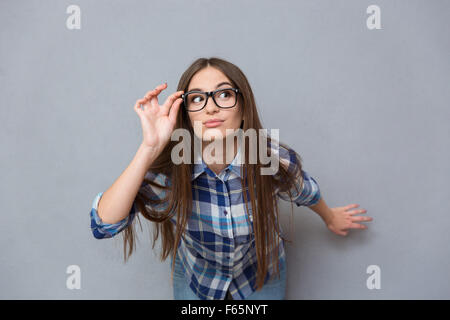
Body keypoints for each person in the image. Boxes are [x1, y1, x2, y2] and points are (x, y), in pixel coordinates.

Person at [89, 57, 373, 300]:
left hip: (261, 275)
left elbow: (305, 191)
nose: (211, 108)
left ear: (242, 105)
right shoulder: (170, 173)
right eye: (197, 99)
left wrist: (330, 216)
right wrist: (149, 148)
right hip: (196, 280)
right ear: (186, 115)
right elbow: (103, 226)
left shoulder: (271, 160)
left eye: (224, 94)